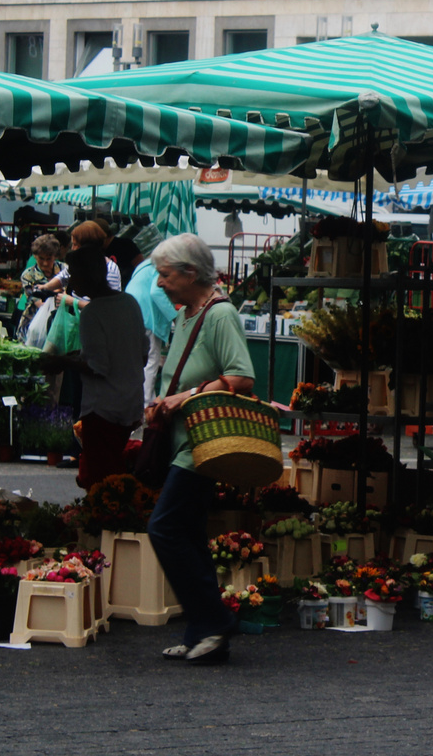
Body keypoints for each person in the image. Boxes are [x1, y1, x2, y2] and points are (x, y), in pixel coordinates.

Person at [144, 233, 256, 666]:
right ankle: (203, 635)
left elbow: (242, 378)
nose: (160, 283)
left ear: (191, 274)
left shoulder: (219, 314)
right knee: (187, 533)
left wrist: (184, 396)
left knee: (165, 529)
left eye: (166, 274)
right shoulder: (188, 314)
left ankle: (213, 619)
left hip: (204, 445)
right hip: (183, 442)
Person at [45, 246, 146, 489]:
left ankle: (105, 523)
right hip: (130, 403)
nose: (70, 281)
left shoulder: (93, 313)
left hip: (103, 409)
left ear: (86, 275)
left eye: (73, 274)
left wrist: (62, 362)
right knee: (116, 473)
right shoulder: (129, 302)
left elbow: (98, 366)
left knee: (101, 482)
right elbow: (140, 354)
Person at [125, 257, 183, 402]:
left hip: (131, 313)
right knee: (151, 361)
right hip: (146, 318)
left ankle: (145, 401)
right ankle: (145, 405)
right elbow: (156, 293)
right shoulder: (161, 267)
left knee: (136, 362)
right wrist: (175, 317)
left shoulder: (144, 265)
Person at [41, 221, 121, 293]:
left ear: (87, 246)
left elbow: (107, 304)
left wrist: (72, 301)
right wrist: (44, 287)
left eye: (75, 245)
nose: (72, 249)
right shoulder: (78, 264)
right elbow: (63, 277)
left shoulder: (110, 269)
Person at [16, 234, 66, 340]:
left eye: (49, 258)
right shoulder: (28, 275)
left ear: (55, 256)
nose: (45, 263)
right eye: (41, 258)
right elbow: (37, 301)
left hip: (62, 321)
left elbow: (69, 291)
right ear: (35, 256)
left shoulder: (64, 269)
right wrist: (58, 291)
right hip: (34, 321)